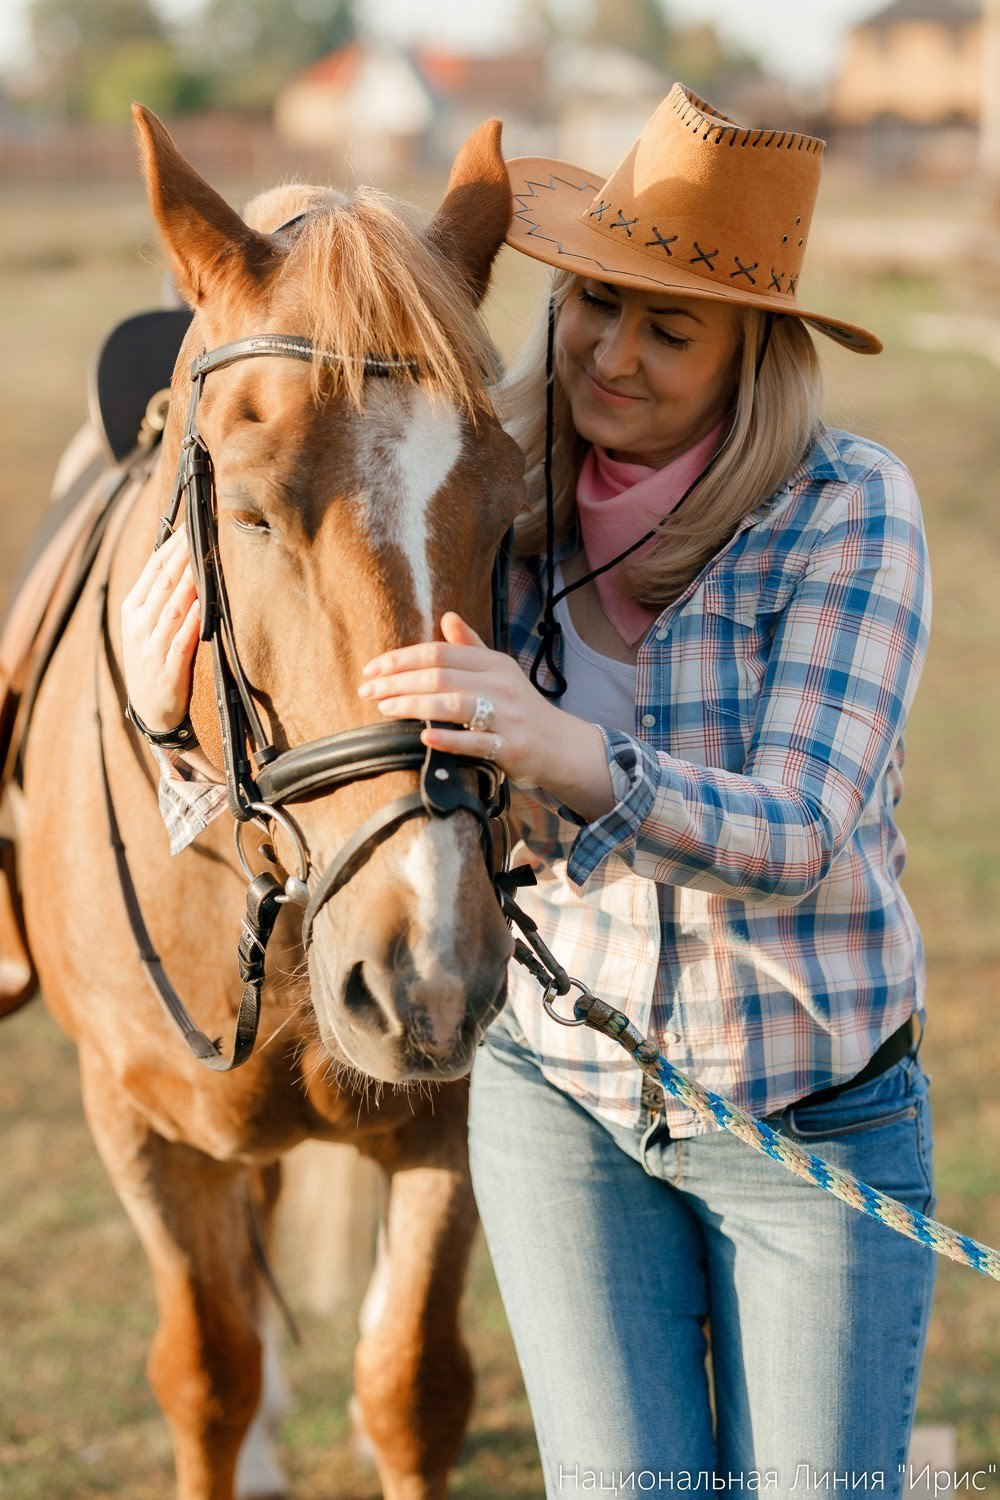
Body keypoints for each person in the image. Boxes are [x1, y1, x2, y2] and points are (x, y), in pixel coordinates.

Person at [122, 84, 935, 1499]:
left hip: (801, 1115)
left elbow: (803, 828)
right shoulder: (490, 487)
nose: (607, 356)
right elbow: (357, 754)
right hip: (565, 1104)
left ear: (757, 351)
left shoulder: (848, 512)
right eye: (588, 308)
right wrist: (164, 726)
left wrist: (566, 751)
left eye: (668, 327)